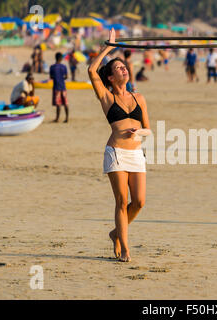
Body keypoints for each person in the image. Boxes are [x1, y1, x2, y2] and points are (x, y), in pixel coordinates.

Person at [88, 28, 151, 263]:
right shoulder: (106, 97)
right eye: (118, 68)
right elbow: (92, 70)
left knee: (140, 202)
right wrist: (108, 48)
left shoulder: (139, 98)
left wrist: (140, 131)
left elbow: (148, 128)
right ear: (111, 78)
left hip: (136, 153)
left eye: (124, 66)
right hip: (115, 152)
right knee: (122, 202)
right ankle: (124, 247)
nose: (123, 69)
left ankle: (116, 231)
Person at [50, 52, 69, 122]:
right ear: (61, 58)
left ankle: (57, 118)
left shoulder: (52, 67)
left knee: (58, 104)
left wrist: (57, 77)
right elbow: (66, 76)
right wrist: (62, 78)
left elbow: (51, 76)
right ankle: (67, 118)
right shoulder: (64, 67)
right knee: (65, 103)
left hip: (56, 87)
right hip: (63, 87)